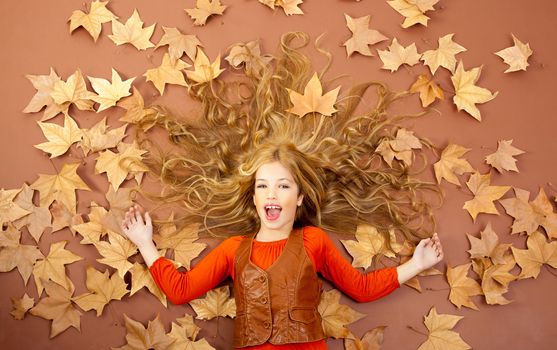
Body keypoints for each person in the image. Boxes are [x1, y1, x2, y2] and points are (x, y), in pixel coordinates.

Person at [120, 32, 444, 349]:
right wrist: (145, 244)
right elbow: (180, 290)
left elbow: (360, 288)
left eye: (283, 185)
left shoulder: (313, 242)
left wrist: (417, 264)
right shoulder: (233, 250)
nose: (272, 194)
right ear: (255, 198)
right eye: (263, 186)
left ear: (299, 197)